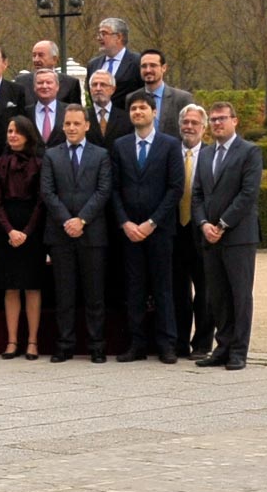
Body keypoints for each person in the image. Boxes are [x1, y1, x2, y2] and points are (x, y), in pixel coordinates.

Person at [111, 93, 184, 364]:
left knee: (163, 287)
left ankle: (167, 344)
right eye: (133, 108)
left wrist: (152, 222)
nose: (138, 112)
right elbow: (114, 188)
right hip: (130, 231)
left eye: (143, 107)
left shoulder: (170, 145)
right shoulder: (120, 146)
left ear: (154, 112)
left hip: (160, 230)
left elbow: (175, 188)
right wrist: (125, 223)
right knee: (134, 288)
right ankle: (137, 343)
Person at [192, 102, 262, 370]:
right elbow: (197, 194)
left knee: (239, 294)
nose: (217, 123)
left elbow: (248, 194)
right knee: (217, 295)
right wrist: (202, 224)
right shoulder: (206, 154)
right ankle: (222, 346)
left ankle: (238, 351)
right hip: (208, 236)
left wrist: (221, 224)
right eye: (213, 119)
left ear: (235, 120)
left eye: (222, 118)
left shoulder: (249, 152)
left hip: (238, 236)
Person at [42, 105, 113, 363]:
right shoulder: (51, 155)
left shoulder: (101, 155)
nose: (71, 128)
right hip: (61, 235)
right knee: (64, 294)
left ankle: (96, 345)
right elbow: (48, 193)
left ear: (86, 126)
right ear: (63, 126)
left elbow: (103, 191)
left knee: (94, 294)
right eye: (68, 124)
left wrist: (81, 219)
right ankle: (65, 344)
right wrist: (67, 221)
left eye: (76, 123)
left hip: (92, 234)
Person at [0, 116, 47, 360]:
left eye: (17, 131)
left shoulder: (40, 164)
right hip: (6, 229)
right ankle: (12, 341)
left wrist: (26, 231)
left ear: (27, 135)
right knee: (11, 287)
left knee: (32, 287)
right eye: (9, 130)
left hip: (32, 229)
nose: (12, 135)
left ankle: (32, 342)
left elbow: (42, 201)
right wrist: (10, 230)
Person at [174, 105, 214, 362]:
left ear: (204, 127)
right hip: (175, 229)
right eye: (185, 122)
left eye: (194, 123)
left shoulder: (211, 155)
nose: (189, 126)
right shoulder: (169, 152)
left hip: (201, 229)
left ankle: (202, 342)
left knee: (205, 290)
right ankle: (178, 342)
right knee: (178, 290)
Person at [131, 49, 192, 128]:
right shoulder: (132, 98)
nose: (148, 70)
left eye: (153, 65)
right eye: (144, 66)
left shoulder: (181, 99)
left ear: (164, 68)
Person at [87, 16, 141, 104]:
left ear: (118, 37)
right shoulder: (93, 65)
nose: (99, 38)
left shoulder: (137, 62)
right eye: (99, 34)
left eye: (104, 34)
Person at [13, 41, 82, 105]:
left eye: (41, 55)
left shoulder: (70, 84)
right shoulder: (21, 82)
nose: (36, 59)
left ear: (54, 59)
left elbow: (76, 113)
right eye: (34, 55)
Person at [85, 70, 132, 148]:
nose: (98, 88)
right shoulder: (82, 117)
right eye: (94, 85)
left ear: (113, 89)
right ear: (90, 90)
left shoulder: (126, 118)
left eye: (103, 85)